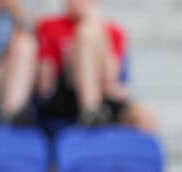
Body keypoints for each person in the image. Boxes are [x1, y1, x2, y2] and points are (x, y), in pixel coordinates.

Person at [36, 0, 155, 130]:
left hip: (103, 93)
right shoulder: (51, 26)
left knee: (146, 115)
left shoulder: (113, 31)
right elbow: (45, 84)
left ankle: (94, 112)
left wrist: (96, 26)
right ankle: (90, 109)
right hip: (67, 93)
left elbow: (110, 78)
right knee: (86, 33)